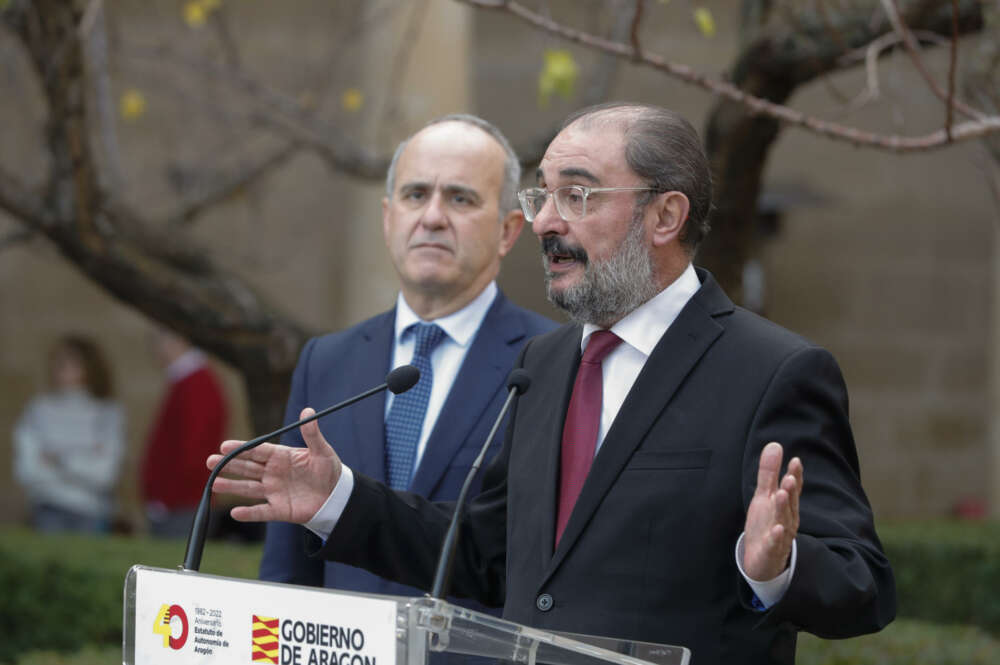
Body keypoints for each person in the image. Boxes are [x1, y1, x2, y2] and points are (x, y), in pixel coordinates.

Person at [209, 103, 896, 665]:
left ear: (665, 216)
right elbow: (483, 553)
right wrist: (339, 500)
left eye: (577, 194)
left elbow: (862, 585)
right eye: (543, 195)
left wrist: (773, 566)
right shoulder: (545, 363)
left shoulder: (772, 370)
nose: (544, 222)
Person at [258, 114, 556, 603]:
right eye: (415, 195)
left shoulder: (550, 363)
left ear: (508, 231)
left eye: (460, 199)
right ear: (388, 216)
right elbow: (288, 566)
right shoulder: (327, 360)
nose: (433, 217)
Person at [13, 335, 124, 533]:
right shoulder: (38, 409)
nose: (61, 368)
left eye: (70, 362)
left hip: (92, 511)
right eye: (58, 361)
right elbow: (27, 470)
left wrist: (59, 460)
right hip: (47, 507)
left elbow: (105, 474)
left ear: (89, 367)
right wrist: (84, 459)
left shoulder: (106, 413)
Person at [141, 328, 228, 538]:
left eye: (160, 339)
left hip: (182, 504)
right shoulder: (187, 381)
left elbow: (193, 451)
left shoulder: (197, 384)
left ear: (180, 340)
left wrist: (165, 498)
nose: (156, 349)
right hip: (178, 502)